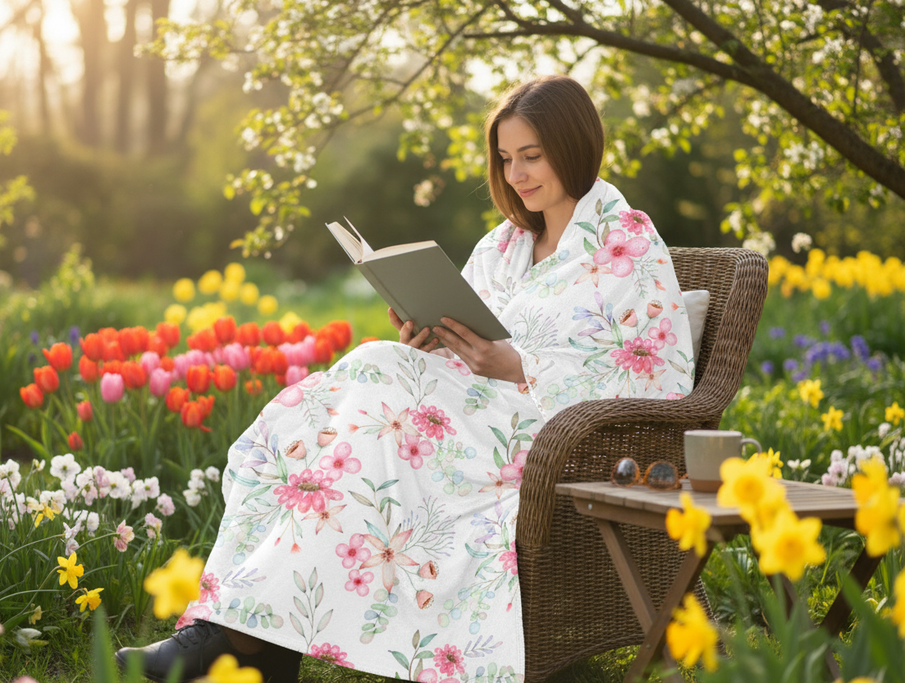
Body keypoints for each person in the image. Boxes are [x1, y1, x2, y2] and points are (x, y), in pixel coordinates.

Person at [116, 75, 695, 682]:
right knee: (333, 426)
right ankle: (238, 631)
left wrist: (519, 366)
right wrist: (431, 341)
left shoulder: (625, 239)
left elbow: (661, 380)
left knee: (373, 386)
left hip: (554, 437)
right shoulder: (503, 245)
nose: (518, 175)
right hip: (466, 415)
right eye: (505, 158)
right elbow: (470, 342)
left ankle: (241, 644)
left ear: (574, 145)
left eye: (532, 156)